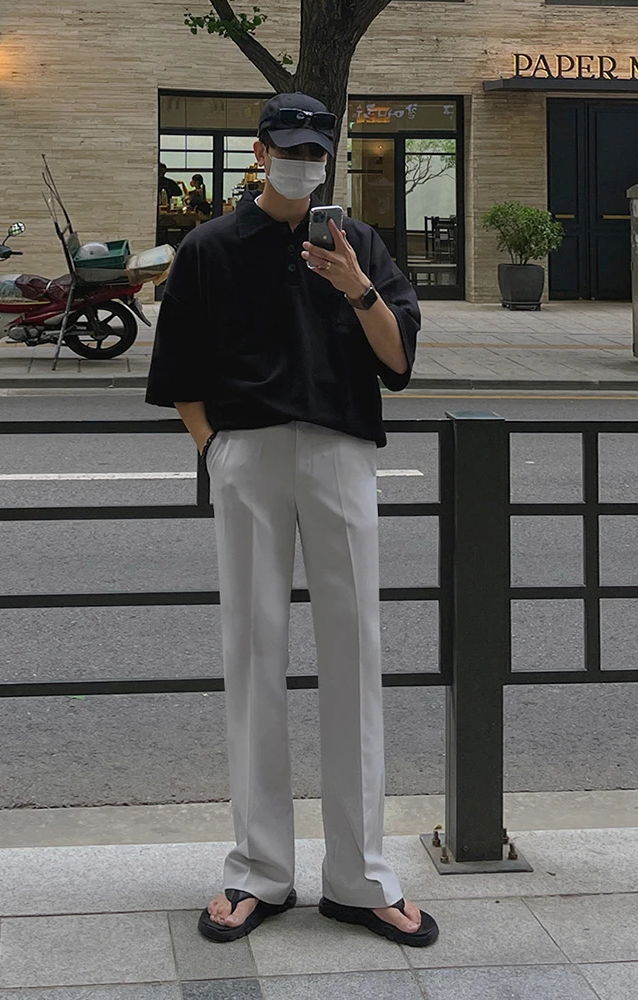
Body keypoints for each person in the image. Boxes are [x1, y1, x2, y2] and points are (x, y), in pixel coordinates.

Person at [146, 92, 439, 950]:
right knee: (252, 652)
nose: (303, 162)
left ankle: (362, 877)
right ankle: (258, 870)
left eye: (316, 151)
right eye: (289, 148)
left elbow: (398, 360)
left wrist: (356, 288)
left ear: (328, 157)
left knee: (356, 655)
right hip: (248, 453)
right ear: (260, 151)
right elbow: (180, 371)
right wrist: (216, 452)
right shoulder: (208, 247)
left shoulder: (361, 244)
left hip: (341, 450)